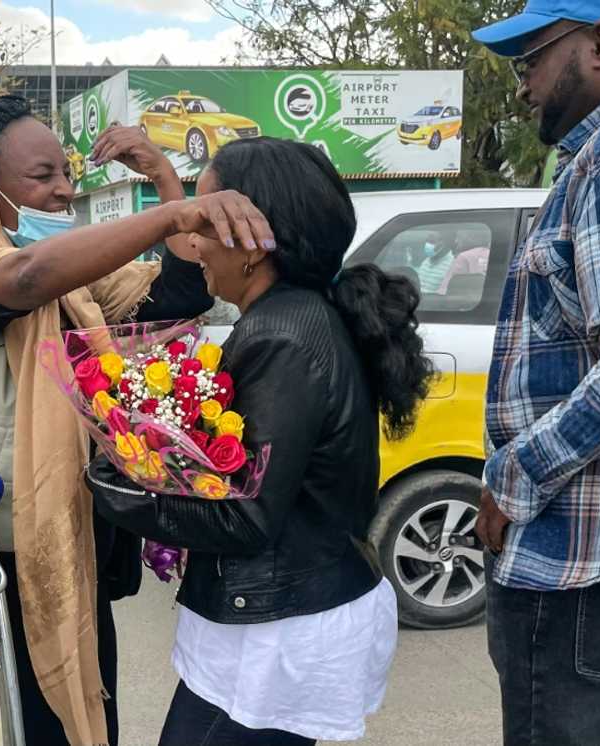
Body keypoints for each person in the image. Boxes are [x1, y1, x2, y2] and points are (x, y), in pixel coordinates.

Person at [0, 93, 271, 746]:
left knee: (85, 705)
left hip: (71, 537)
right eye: (42, 176)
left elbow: (179, 293)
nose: (64, 192)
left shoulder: (76, 284)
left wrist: (164, 179)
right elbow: (24, 279)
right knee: (22, 722)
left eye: (66, 174)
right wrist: (177, 209)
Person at [86, 137, 433, 746]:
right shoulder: (292, 313)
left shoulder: (283, 336)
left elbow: (246, 517)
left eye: (203, 224)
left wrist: (112, 483)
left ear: (250, 242)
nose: (191, 247)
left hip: (276, 634)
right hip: (279, 611)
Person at [473, 3, 600, 744]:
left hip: (573, 565)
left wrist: (514, 475)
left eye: (530, 58)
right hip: (591, 562)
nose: (523, 84)